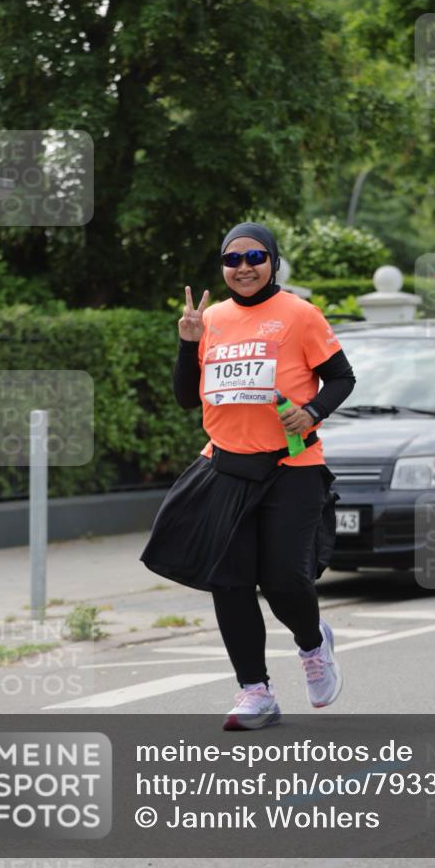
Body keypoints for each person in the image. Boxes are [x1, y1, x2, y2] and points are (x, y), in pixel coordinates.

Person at [140, 222, 356, 730]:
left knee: (283, 579)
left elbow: (342, 376)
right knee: (229, 582)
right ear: (222, 266)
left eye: (255, 256)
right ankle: (255, 691)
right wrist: (186, 345)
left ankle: (312, 644)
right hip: (225, 467)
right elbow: (187, 397)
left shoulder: (299, 314)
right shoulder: (210, 319)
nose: (244, 268)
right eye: (232, 259)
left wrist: (313, 411)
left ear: (272, 261)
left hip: (291, 466)